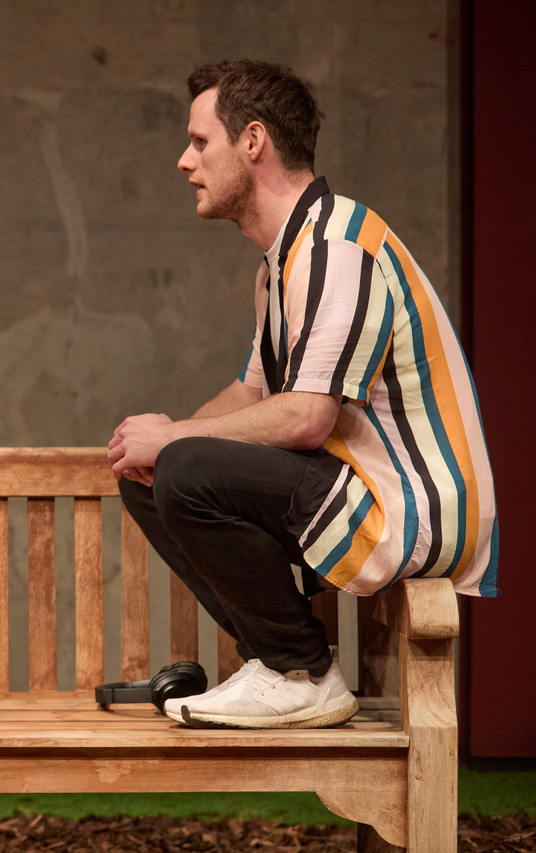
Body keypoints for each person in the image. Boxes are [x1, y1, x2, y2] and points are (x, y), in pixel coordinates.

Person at [106, 60, 498, 730]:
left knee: (184, 464)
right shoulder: (282, 266)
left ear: (253, 141)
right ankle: (276, 661)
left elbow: (308, 418)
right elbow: (248, 393)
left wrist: (175, 443)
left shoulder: (339, 248)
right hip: (362, 490)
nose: (184, 161)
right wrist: (162, 438)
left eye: (201, 143)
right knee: (156, 474)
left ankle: (301, 670)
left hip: (412, 508)